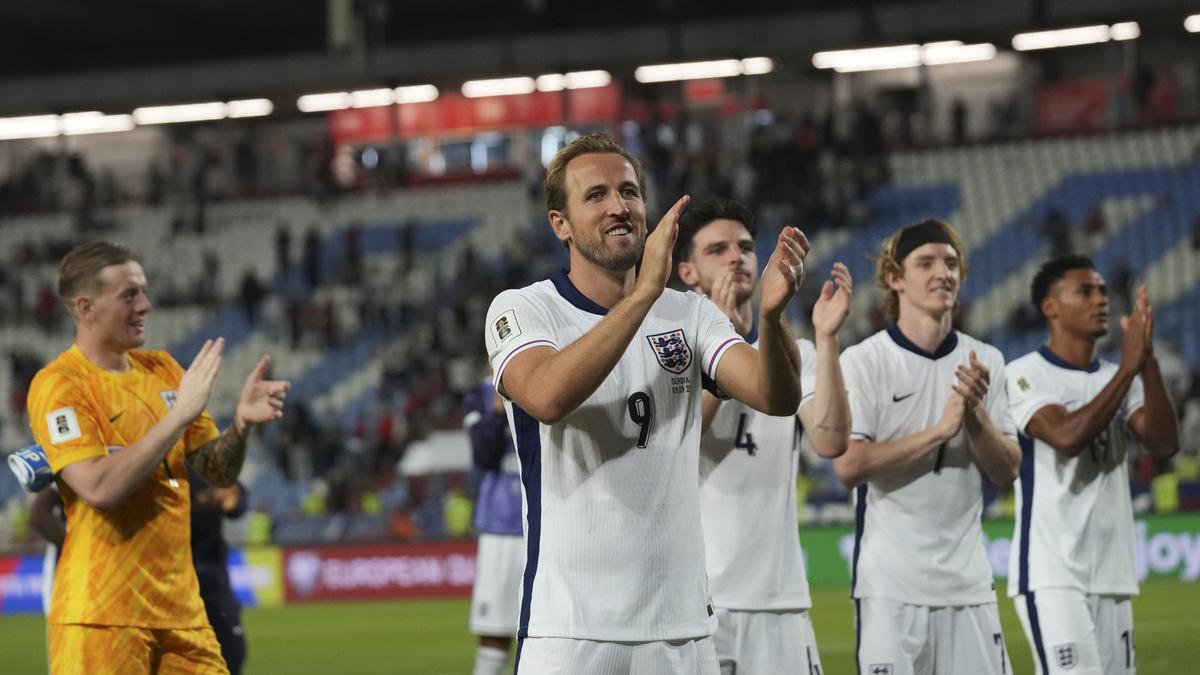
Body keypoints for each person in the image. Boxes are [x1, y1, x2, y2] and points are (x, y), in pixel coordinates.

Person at [484, 133, 810, 675]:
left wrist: (774, 319)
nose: (619, 206)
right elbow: (546, 396)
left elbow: (776, 396)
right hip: (571, 632)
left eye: (629, 192)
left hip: (682, 632)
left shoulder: (690, 314)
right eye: (596, 195)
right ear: (560, 224)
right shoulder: (523, 309)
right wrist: (642, 296)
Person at [26, 241, 289, 674]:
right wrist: (178, 416)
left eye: (144, 291)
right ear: (86, 308)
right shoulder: (60, 384)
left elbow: (217, 471)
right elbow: (99, 488)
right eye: (129, 294)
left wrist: (241, 426)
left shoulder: (164, 370)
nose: (145, 305)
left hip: (182, 613)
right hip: (101, 617)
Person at [674, 198, 853, 675]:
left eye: (746, 247)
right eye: (718, 250)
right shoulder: (672, 353)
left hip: (780, 599)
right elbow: (678, 443)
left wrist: (827, 340)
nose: (736, 257)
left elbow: (831, 442)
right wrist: (721, 339)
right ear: (688, 271)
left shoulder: (799, 353)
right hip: (699, 604)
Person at [834, 219, 1020, 675]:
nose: (944, 273)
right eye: (927, 263)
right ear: (894, 278)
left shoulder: (986, 360)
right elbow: (849, 466)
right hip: (890, 590)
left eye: (951, 263)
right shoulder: (864, 361)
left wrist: (974, 415)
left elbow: (1007, 471)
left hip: (968, 586)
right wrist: (940, 430)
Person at [1006, 255, 1180, 674]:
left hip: (1112, 573)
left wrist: (1147, 362)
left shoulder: (1120, 376)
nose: (1101, 299)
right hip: (1052, 574)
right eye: (1085, 291)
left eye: (1102, 291)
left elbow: (1164, 443)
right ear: (1050, 307)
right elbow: (1065, 437)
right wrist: (1128, 371)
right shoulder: (1024, 374)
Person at [464, 377, 524, 675]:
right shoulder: (481, 393)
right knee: (495, 629)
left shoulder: (547, 375)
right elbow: (483, 457)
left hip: (550, 521)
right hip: (502, 527)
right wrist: (499, 410)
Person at [190, 468, 249, 675]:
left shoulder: (206, 465)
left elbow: (237, 506)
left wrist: (232, 497)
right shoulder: (161, 467)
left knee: (233, 653)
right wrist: (200, 506)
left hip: (212, 580)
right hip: (176, 581)